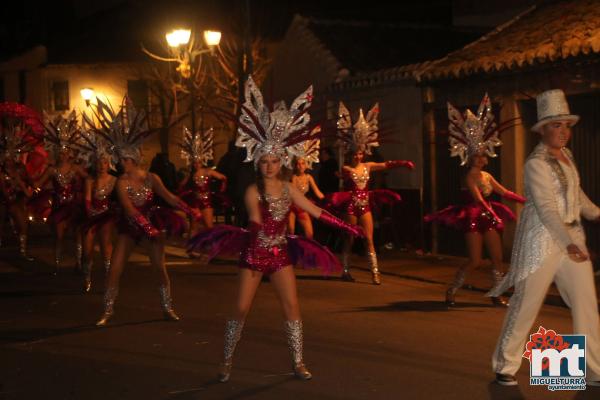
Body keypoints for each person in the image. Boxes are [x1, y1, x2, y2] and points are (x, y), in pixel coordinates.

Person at [187, 77, 363, 382]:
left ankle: (297, 361)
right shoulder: (253, 191)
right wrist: (259, 236)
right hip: (255, 252)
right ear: (258, 162)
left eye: (273, 160)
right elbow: (255, 218)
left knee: (291, 305)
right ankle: (226, 360)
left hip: (281, 253)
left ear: (282, 160)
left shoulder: (289, 188)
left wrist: (344, 225)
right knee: (241, 308)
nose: (269, 165)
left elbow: (315, 210)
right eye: (264, 161)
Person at [489, 89, 600, 387]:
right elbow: (548, 210)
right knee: (527, 302)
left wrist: (596, 213)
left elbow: (576, 196)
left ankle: (595, 369)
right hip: (541, 243)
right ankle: (505, 365)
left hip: (571, 236)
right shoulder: (535, 164)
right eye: (555, 125)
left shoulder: (568, 157)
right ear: (542, 130)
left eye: (566, 125)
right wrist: (571, 245)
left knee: (586, 302)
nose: (563, 131)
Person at [84, 98, 201, 326]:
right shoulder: (120, 183)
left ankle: (167, 307)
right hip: (131, 229)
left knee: (159, 268)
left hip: (151, 224)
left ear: (133, 158)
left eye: (123, 159)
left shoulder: (151, 178)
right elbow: (128, 210)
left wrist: (190, 210)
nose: (120, 163)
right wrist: (150, 230)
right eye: (119, 159)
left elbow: (170, 197)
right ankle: (107, 310)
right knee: (115, 268)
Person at [424, 94, 524, 307]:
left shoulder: (487, 176)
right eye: (477, 155)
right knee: (476, 260)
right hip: (474, 216)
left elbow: (504, 192)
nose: (481, 158)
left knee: (497, 259)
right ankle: (452, 290)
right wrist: (493, 214)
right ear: (470, 157)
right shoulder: (470, 176)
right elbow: (478, 199)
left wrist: (525, 200)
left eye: (482, 154)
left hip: (488, 216)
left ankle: (497, 294)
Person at [331, 102, 414, 284]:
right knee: (350, 238)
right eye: (355, 154)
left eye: (360, 153)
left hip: (365, 204)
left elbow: (386, 165)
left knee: (369, 238)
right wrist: (342, 174)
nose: (358, 156)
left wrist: (403, 163)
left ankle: (375, 273)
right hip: (351, 204)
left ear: (363, 153)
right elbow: (342, 174)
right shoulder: (346, 168)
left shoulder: (368, 166)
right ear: (351, 154)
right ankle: (345, 270)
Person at [38, 111, 88, 274]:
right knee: (59, 236)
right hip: (59, 207)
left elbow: (89, 178)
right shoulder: (52, 170)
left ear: (70, 153)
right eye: (61, 152)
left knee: (78, 235)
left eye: (67, 152)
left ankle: (79, 263)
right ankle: (58, 265)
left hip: (74, 206)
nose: (64, 154)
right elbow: (38, 182)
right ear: (57, 153)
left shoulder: (75, 168)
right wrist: (22, 179)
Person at [0, 102, 44, 259]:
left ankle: (23, 251)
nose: (10, 158)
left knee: (23, 223)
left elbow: (30, 183)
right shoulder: (2, 171)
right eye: (7, 156)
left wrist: (31, 187)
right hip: (5, 199)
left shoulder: (20, 168)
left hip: (17, 199)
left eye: (13, 156)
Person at [77, 131, 117, 293]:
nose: (102, 165)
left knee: (106, 246)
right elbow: (87, 200)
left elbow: (119, 199)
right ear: (95, 163)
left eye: (105, 162)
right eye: (99, 162)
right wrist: (91, 213)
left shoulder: (115, 180)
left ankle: (109, 280)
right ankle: (87, 278)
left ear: (109, 164)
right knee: (87, 252)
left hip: (107, 216)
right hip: (91, 216)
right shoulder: (90, 180)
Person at [178, 127, 227, 235]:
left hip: (207, 201)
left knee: (209, 226)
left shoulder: (208, 171)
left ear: (202, 160)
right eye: (195, 162)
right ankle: (192, 247)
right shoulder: (190, 174)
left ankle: (211, 246)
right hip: (195, 202)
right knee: (194, 226)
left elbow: (223, 177)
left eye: (199, 162)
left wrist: (223, 185)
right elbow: (181, 185)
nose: (197, 164)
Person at [289, 147, 324, 239]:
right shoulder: (294, 177)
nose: (300, 166)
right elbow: (294, 194)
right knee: (290, 232)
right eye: (298, 164)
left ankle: (305, 251)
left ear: (306, 165)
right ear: (295, 166)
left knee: (309, 234)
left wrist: (327, 199)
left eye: (303, 163)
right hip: (292, 205)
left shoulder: (309, 177)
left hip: (302, 206)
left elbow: (318, 192)